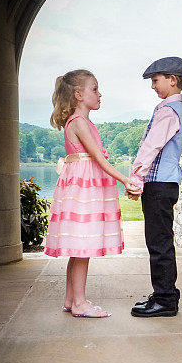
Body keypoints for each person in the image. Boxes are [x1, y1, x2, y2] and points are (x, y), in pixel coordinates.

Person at [44, 69, 140, 318]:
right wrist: (125, 180)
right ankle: (80, 303)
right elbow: (98, 159)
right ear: (78, 94)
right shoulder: (78, 122)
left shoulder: (83, 123)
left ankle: (70, 298)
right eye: (95, 89)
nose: (100, 94)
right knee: (83, 247)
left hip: (82, 188)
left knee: (79, 248)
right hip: (82, 193)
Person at [126, 56, 182, 317]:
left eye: (155, 80)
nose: (153, 86)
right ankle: (165, 294)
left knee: (159, 242)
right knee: (160, 240)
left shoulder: (168, 111)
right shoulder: (171, 109)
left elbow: (151, 146)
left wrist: (136, 178)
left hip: (159, 185)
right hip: (163, 184)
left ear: (172, 80)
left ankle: (165, 300)